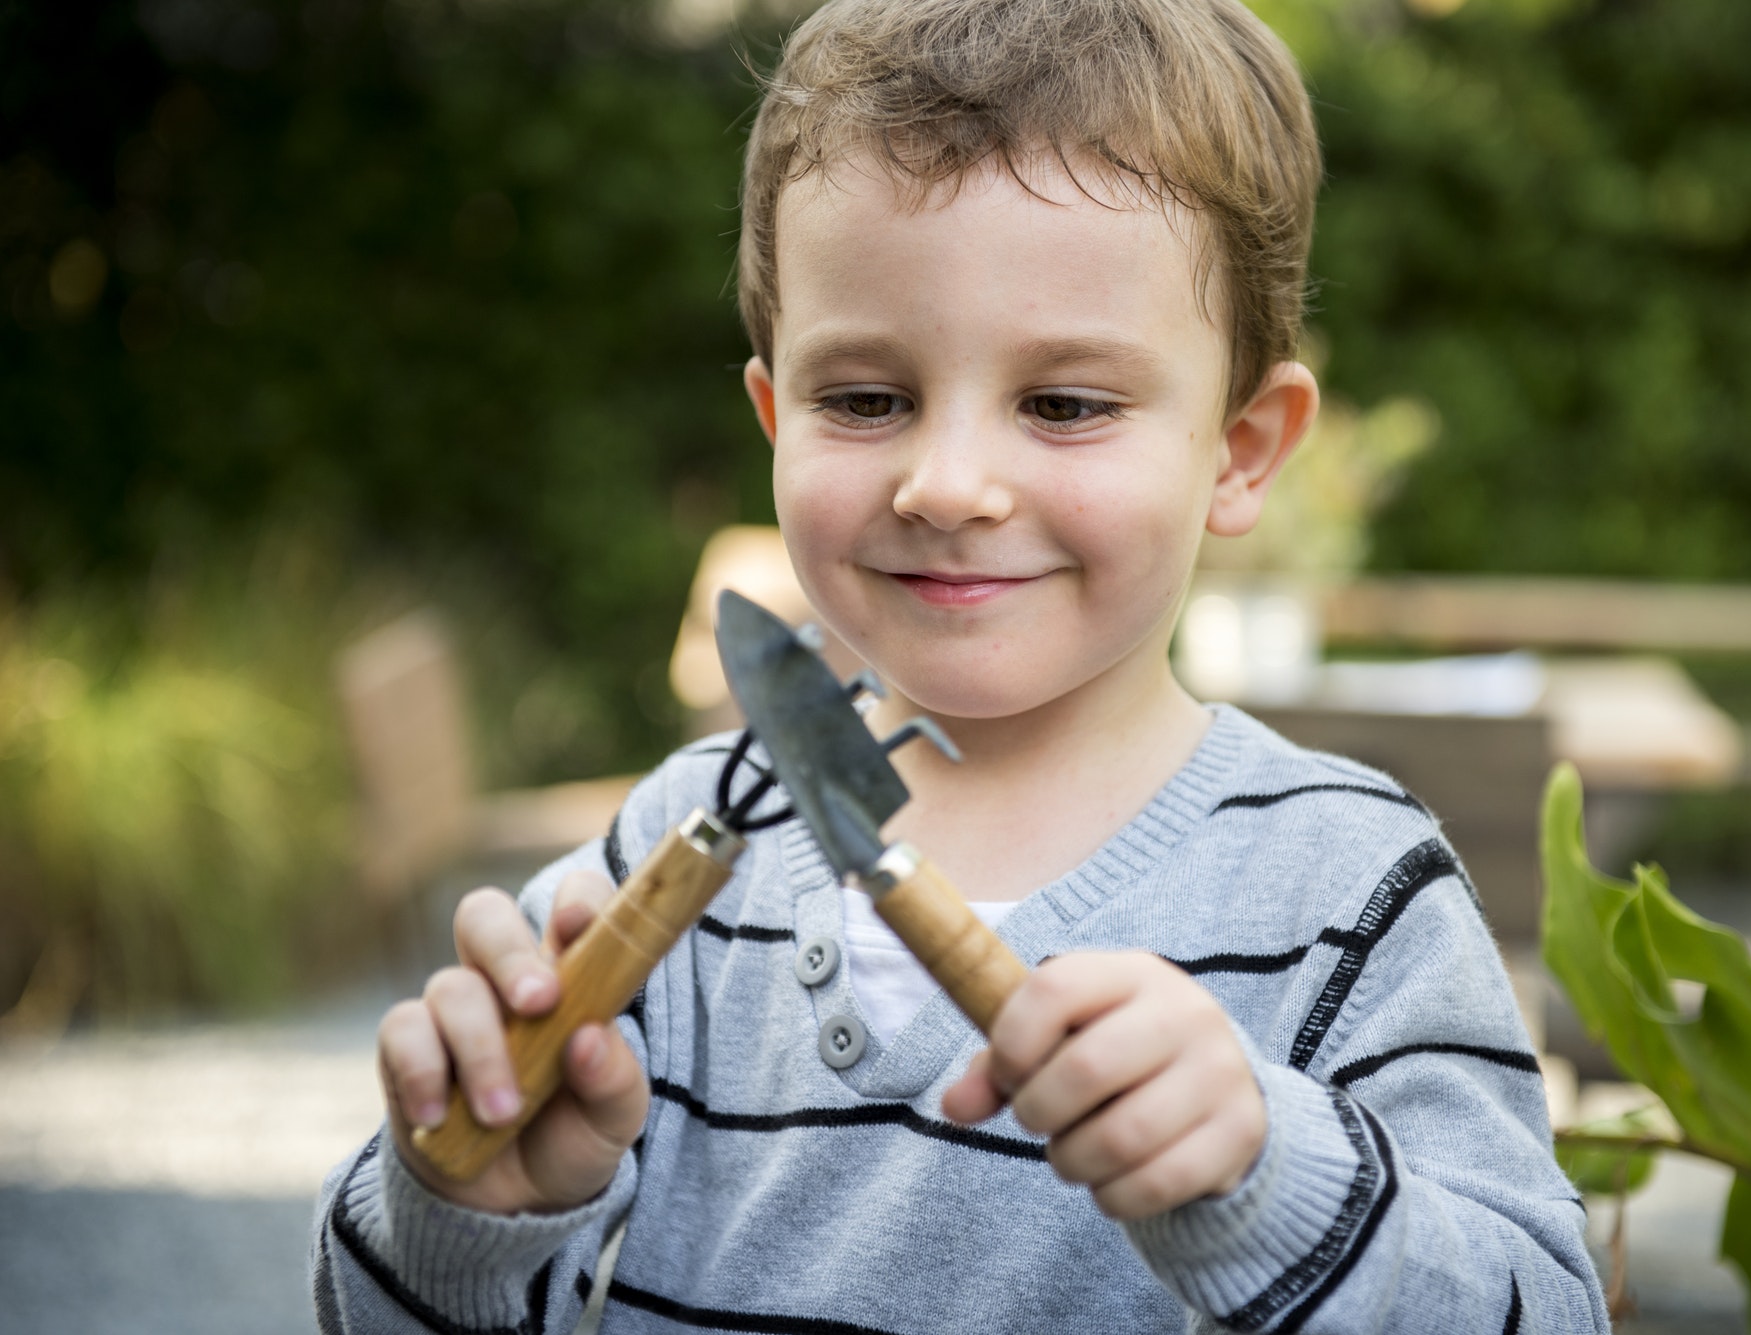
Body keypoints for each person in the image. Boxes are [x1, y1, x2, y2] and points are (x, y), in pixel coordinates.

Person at [312, 1, 1609, 1330]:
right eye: (866, 399)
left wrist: (1269, 1173)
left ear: (1241, 449)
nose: (947, 485)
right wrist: (462, 1213)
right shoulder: (666, 867)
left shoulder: (1352, 890)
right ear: (773, 415)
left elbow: (1542, 1311)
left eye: (1064, 405)